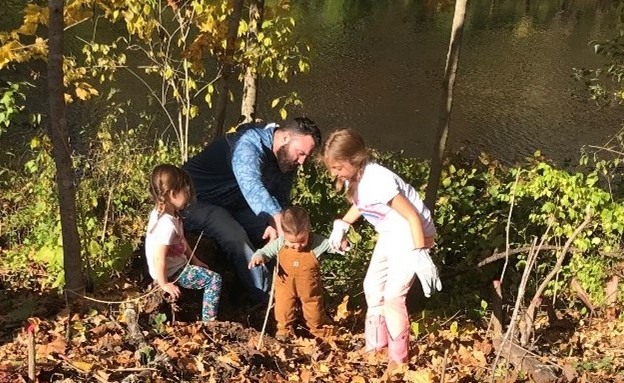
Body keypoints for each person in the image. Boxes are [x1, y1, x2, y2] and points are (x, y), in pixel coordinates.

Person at [320, 128, 442, 365]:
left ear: (355, 160)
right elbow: (363, 205)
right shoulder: (353, 178)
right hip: (391, 232)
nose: (334, 173)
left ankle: (398, 361)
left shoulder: (377, 180)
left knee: (393, 296)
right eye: (331, 168)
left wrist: (420, 254)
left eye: (338, 168)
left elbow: (412, 217)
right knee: (372, 287)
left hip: (412, 233)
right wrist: (343, 224)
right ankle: (376, 349)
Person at [182, 117, 322, 304]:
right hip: (195, 201)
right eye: (301, 153)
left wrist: (278, 223)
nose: (302, 161)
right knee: (235, 237)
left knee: (275, 234)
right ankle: (268, 298)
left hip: (234, 204)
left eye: (307, 156)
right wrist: (275, 217)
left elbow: (281, 197)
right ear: (286, 137)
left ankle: (294, 293)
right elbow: (251, 185)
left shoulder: (287, 160)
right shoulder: (247, 144)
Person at [145, 164, 222, 323]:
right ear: (172, 194)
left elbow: (181, 240)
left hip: (177, 265)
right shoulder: (166, 225)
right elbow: (159, 257)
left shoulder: (166, 213)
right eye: (186, 191)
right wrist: (164, 283)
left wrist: (195, 260)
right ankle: (210, 321)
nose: (188, 195)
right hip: (173, 272)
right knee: (214, 279)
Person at [248, 206, 337, 339]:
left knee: (315, 312)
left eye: (302, 241)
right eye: (292, 242)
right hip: (285, 285)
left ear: (308, 231)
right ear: (283, 233)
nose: (297, 246)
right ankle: (284, 331)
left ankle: (319, 332)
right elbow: (265, 252)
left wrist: (342, 244)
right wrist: (258, 257)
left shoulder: (317, 243)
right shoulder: (280, 243)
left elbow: (333, 245)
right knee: (283, 309)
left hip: (310, 289)